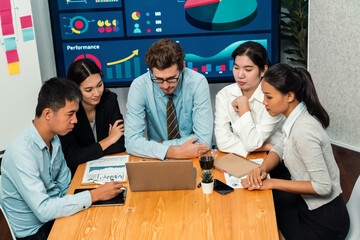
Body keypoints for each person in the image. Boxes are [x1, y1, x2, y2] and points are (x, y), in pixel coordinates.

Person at [0, 77, 124, 240]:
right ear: (48, 114)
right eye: (70, 114)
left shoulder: (55, 139)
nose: (75, 120)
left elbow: (66, 186)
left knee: (110, 223)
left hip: (56, 217)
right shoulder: (21, 153)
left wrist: (92, 197)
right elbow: (44, 210)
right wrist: (94, 195)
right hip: (36, 232)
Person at [241, 63, 350, 240]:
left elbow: (323, 186)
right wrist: (263, 169)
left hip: (325, 222)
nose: (264, 102)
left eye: (268, 97)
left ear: (289, 96)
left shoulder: (303, 131)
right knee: (268, 204)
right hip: (309, 205)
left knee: (267, 217)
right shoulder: (295, 118)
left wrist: (271, 183)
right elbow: (280, 147)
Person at [125, 38, 213, 159]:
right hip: (157, 159)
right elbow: (131, 143)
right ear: (151, 72)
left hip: (191, 156)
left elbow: (204, 141)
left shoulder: (198, 82)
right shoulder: (139, 86)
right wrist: (174, 152)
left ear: (182, 67)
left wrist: (157, 146)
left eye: (172, 78)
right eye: (159, 79)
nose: (165, 86)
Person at [215, 41, 284, 157]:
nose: (240, 75)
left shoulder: (274, 98)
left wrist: (243, 106)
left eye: (248, 70)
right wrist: (266, 146)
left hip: (275, 161)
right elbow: (222, 142)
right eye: (236, 68)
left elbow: (252, 144)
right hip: (243, 157)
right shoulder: (224, 95)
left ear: (263, 70)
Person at [60, 59, 125, 175]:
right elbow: (73, 158)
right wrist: (109, 140)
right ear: (75, 90)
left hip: (111, 169)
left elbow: (119, 146)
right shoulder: (67, 111)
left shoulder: (110, 100)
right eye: (88, 90)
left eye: (99, 85)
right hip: (79, 174)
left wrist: (87, 152)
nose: (97, 93)